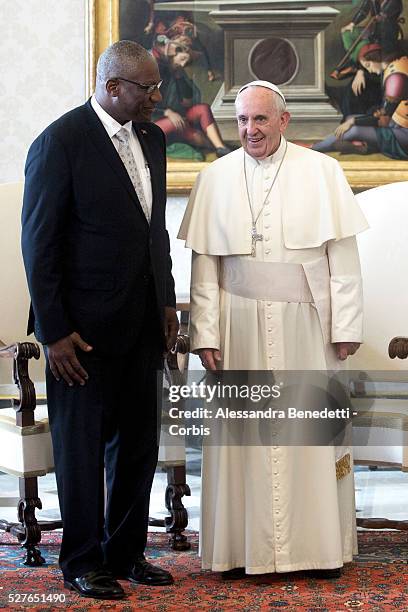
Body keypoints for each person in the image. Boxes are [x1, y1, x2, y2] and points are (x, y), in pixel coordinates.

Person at [178, 80, 368, 578]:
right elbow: (206, 268)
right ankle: (241, 550)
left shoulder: (322, 171)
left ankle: (317, 550)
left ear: (284, 121)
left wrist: (346, 325)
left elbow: (343, 261)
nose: (249, 129)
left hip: (306, 325)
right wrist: (207, 334)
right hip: (239, 327)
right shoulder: (215, 177)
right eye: (241, 120)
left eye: (260, 119)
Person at [21, 40, 178, 599]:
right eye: (147, 88)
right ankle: (83, 562)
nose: (157, 98)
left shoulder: (153, 139)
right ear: (113, 87)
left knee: (138, 447)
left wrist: (167, 302)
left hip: (140, 323)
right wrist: (54, 332)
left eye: (156, 86)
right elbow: (39, 246)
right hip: (80, 336)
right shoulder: (60, 142)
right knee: (81, 451)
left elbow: (152, 231)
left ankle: (126, 553)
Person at [314, 46, 408, 158]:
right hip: (397, 123)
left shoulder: (395, 78)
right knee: (350, 119)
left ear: (376, 58)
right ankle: (366, 146)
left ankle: (314, 148)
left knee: (354, 129)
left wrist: (353, 122)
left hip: (403, 132)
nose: (369, 70)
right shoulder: (399, 62)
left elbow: (384, 119)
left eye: (368, 65)